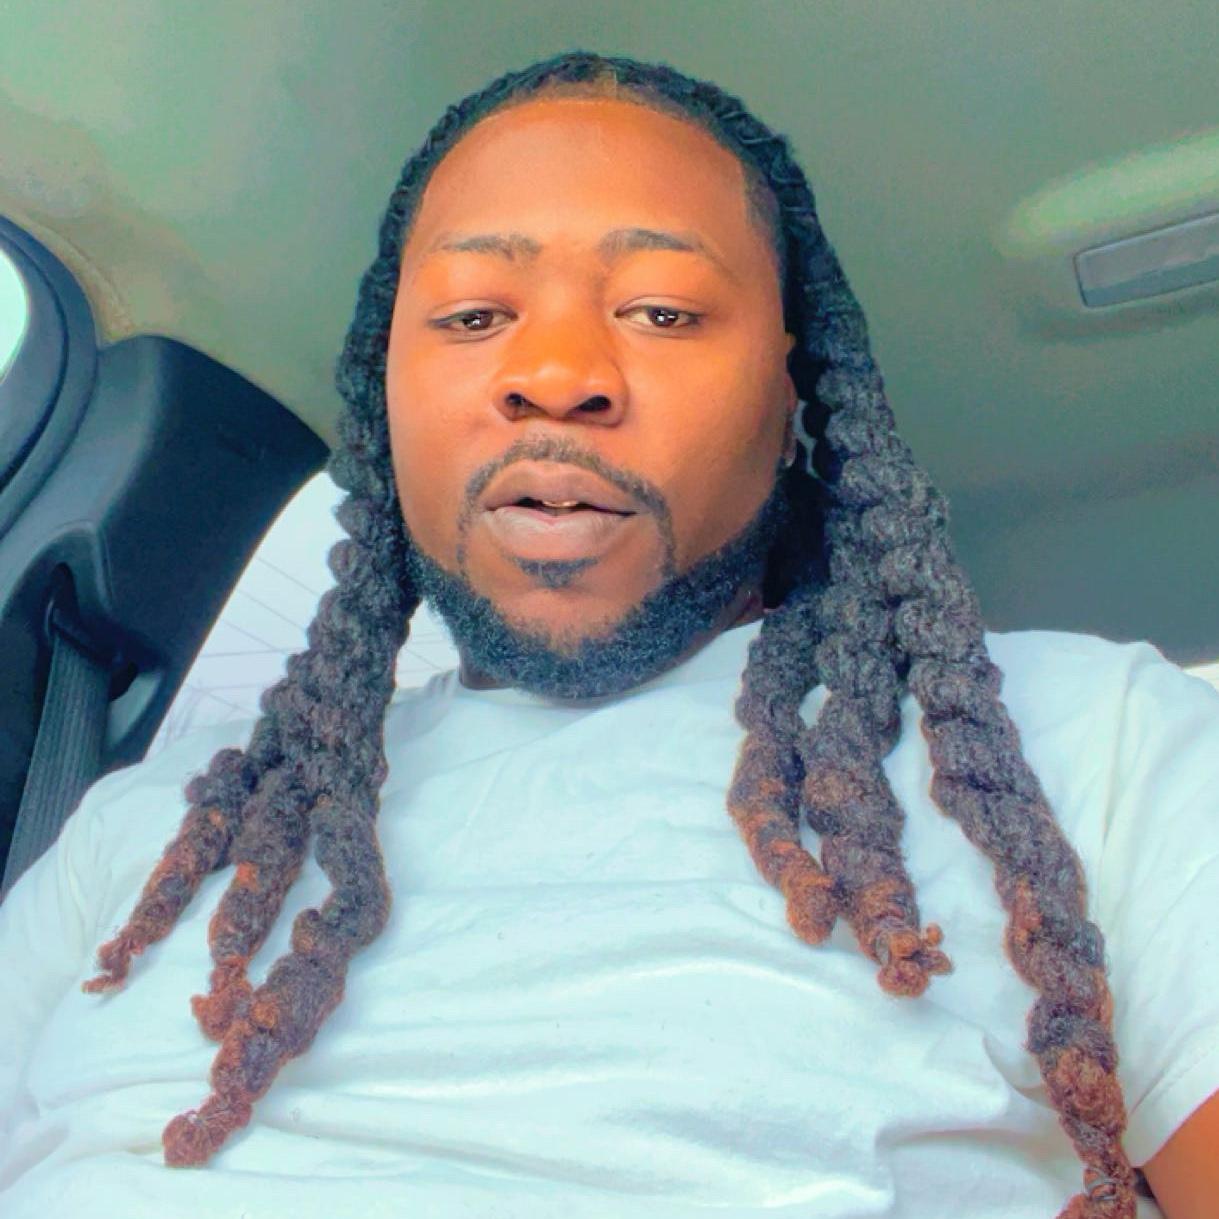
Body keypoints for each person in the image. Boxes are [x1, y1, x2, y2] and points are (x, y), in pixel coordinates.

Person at [1, 49, 1216, 1219]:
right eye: (472, 314)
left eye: (662, 310)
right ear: (384, 395)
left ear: (789, 389)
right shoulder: (141, 834)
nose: (555, 371)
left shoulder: (1092, 746)